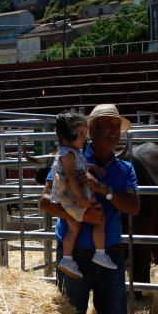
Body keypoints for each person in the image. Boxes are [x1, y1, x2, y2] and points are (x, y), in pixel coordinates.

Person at [39, 105, 140, 314]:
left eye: (117, 128)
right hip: (76, 256)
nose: (114, 133)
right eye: (106, 126)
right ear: (91, 131)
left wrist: (104, 189)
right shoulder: (71, 158)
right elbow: (45, 202)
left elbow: (134, 207)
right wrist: (82, 217)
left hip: (110, 255)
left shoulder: (125, 169)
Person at [50, 111, 116, 278]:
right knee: (99, 217)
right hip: (72, 194)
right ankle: (99, 253)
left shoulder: (71, 152)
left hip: (70, 193)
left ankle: (67, 258)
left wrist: (94, 168)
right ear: (67, 136)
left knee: (74, 227)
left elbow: (80, 169)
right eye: (80, 134)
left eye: (84, 134)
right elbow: (71, 177)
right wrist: (82, 199)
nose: (84, 138)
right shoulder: (69, 154)